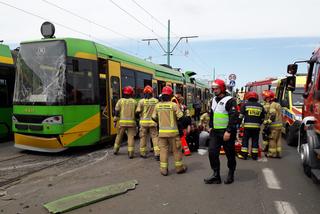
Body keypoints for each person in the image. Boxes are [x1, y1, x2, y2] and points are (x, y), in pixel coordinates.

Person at [204, 79, 239, 184]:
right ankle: (216, 175)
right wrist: (210, 126)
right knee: (212, 153)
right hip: (215, 132)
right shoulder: (213, 99)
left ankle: (231, 173)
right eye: (213, 88)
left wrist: (228, 131)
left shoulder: (230, 100)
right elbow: (212, 114)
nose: (214, 90)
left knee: (230, 154)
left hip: (226, 132)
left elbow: (234, 117)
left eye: (216, 88)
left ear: (222, 88)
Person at [152, 86, 187, 176]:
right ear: (170, 95)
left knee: (163, 151)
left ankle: (164, 170)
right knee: (176, 150)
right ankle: (179, 168)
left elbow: (153, 117)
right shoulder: (173, 105)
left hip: (162, 133)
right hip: (173, 133)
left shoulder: (158, 105)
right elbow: (181, 117)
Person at [238, 91, 265, 160]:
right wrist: (259, 124)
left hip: (247, 127)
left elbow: (240, 116)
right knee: (255, 141)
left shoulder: (245, 105)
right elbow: (263, 118)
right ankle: (254, 156)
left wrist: (238, 125)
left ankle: (244, 155)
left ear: (248, 97)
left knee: (245, 140)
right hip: (256, 127)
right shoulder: (260, 106)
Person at [136, 85, 160, 160]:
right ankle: (157, 154)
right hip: (153, 122)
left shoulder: (141, 101)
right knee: (155, 137)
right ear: (152, 93)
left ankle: (143, 153)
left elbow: (138, 111)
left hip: (143, 123)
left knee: (143, 137)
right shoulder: (156, 101)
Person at [113, 86, 137, 159]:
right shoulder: (134, 102)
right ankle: (131, 153)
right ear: (131, 93)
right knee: (130, 137)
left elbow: (116, 112)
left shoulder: (120, 101)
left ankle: (115, 150)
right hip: (131, 123)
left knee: (119, 136)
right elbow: (137, 112)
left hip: (122, 123)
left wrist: (115, 120)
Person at [263, 90, 282, 158]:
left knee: (272, 139)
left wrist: (267, 122)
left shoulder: (272, 105)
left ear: (269, 98)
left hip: (274, 126)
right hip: (279, 126)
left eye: (265, 97)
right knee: (278, 139)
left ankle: (272, 154)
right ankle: (278, 153)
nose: (265, 99)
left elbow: (273, 115)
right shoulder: (277, 104)